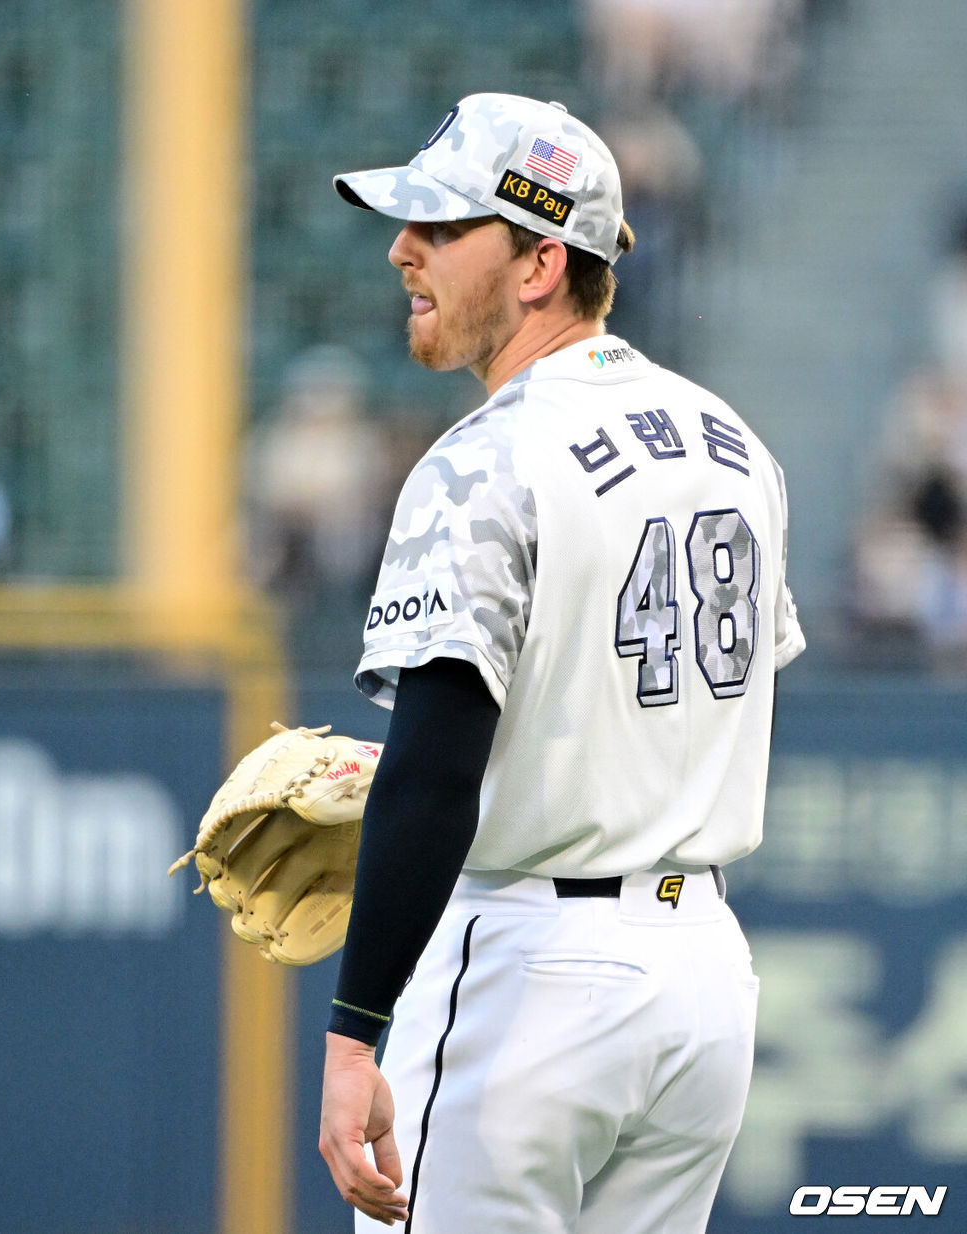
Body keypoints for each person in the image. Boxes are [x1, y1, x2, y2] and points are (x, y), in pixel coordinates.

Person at [318, 92, 805, 1232]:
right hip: (699, 981)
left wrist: (352, 1028)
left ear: (540, 264)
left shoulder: (482, 459)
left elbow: (435, 776)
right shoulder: (734, 444)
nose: (403, 250)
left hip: (526, 971)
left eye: (440, 228)